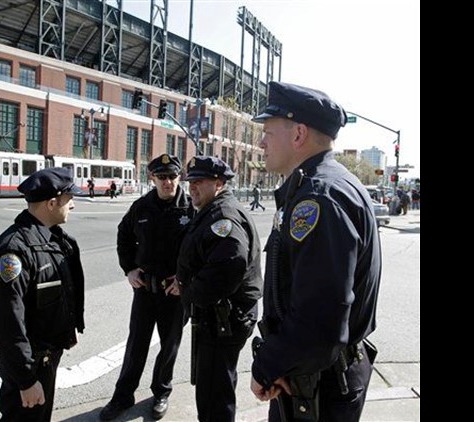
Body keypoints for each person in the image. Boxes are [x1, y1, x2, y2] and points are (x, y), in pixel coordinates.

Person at [248, 81, 382, 422]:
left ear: (298, 135)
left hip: (317, 389)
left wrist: (267, 366)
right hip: (313, 376)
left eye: (268, 131)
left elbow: (319, 321)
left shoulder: (319, 198)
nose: (261, 141)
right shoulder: (329, 184)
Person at [0, 167, 86, 422]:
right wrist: (26, 380)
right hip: (30, 364)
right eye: (68, 199)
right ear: (52, 203)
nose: (72, 205)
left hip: (46, 358)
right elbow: (5, 322)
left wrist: (67, 329)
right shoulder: (13, 252)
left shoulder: (56, 239)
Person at [99, 154, 196, 421]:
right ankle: (122, 396)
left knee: (169, 346)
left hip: (174, 294)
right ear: (152, 178)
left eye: (172, 176)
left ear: (180, 177)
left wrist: (185, 280)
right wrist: (128, 269)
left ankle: (161, 392)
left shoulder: (191, 209)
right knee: (136, 345)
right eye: (162, 177)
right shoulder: (141, 208)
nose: (168, 182)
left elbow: (201, 251)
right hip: (145, 290)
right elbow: (124, 238)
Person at [176, 155, 263, 422]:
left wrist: (190, 291)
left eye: (199, 181)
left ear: (219, 183)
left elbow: (230, 264)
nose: (192, 187)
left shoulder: (223, 215)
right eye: (190, 181)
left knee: (214, 396)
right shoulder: (213, 209)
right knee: (215, 387)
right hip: (218, 318)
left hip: (222, 321)